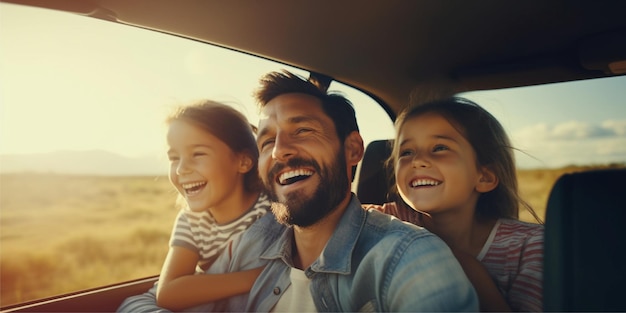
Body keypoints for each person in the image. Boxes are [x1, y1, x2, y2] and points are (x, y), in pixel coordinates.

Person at [118, 72, 478, 312]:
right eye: (267, 141)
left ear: (352, 150)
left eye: (302, 131)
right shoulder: (254, 241)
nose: (279, 152)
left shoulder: (407, 260)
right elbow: (144, 302)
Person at [365, 97, 543, 311]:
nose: (417, 160)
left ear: (484, 177)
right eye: (407, 152)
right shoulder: (384, 220)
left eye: (440, 147)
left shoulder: (530, 247)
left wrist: (469, 271)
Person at [119, 100, 270, 312]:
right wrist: (256, 277)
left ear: (243, 162)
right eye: (174, 158)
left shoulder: (269, 210)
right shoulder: (191, 221)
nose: (181, 169)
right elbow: (168, 293)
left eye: (197, 154)